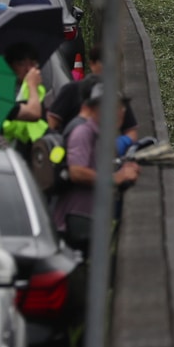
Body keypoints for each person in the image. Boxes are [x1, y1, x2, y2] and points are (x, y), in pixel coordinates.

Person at [55, 82, 140, 234]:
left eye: (121, 107)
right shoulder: (83, 132)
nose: (121, 112)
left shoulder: (103, 136)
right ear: (95, 109)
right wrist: (116, 177)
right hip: (76, 222)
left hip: (92, 220)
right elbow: (76, 171)